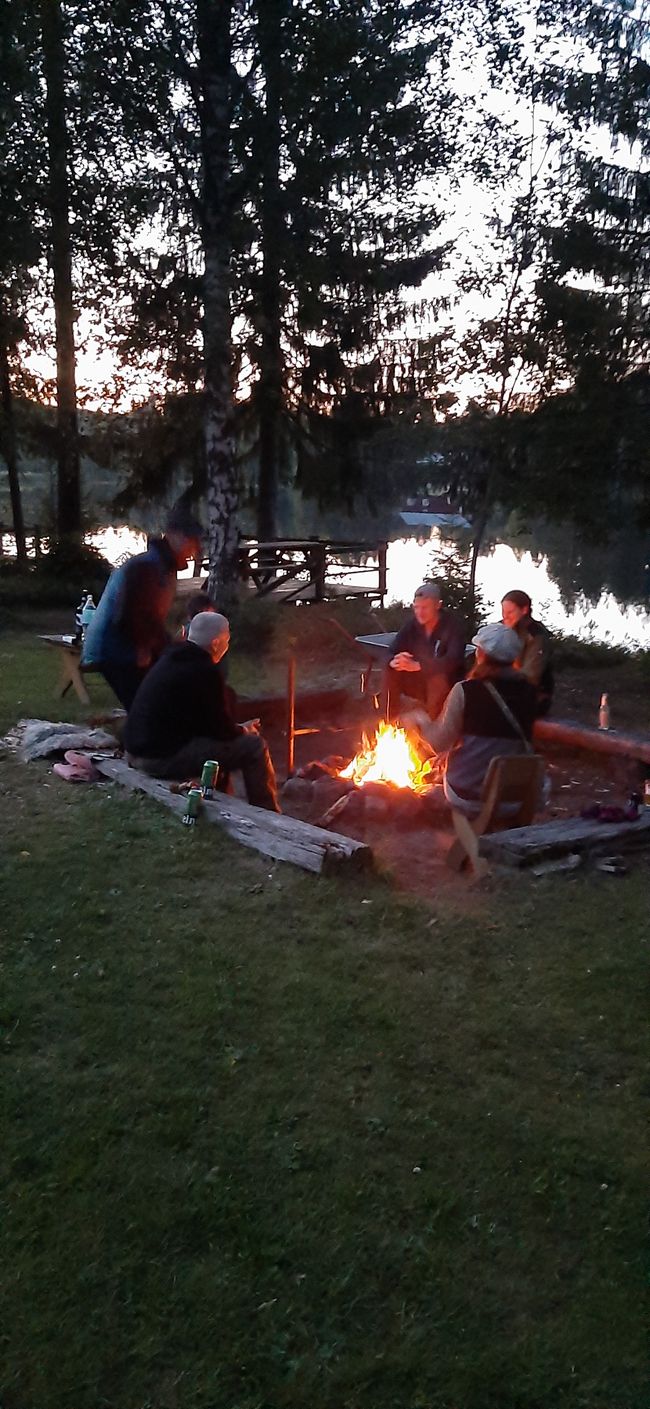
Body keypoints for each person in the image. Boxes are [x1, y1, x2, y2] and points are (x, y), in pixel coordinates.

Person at [124, 611, 280, 811]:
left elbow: (204, 723)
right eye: (227, 640)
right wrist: (244, 731)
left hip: (139, 749)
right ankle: (270, 814)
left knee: (228, 743)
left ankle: (223, 795)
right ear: (216, 643)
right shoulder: (204, 671)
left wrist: (236, 729)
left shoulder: (172, 657)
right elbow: (220, 731)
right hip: (156, 759)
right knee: (255, 746)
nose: (228, 646)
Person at [408, 622, 541, 816]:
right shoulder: (530, 692)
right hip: (517, 796)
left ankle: (473, 829)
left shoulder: (466, 690)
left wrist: (420, 721)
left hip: (470, 794)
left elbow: (438, 743)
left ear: (481, 654)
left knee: (444, 762)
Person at [82, 508, 203, 708]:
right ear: (173, 535)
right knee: (148, 707)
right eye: (191, 542)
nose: (194, 551)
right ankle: (138, 736)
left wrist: (167, 646)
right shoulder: (145, 567)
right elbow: (130, 618)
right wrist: (164, 648)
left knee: (160, 701)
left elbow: (150, 619)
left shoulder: (164, 569)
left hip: (132, 649)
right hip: (115, 651)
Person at [385, 582, 466, 719]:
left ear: (438, 605)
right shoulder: (412, 625)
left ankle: (435, 727)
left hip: (449, 682)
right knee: (391, 671)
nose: (420, 612)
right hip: (417, 680)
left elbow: (453, 660)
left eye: (425, 608)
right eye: (416, 607)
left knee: (437, 680)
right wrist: (394, 661)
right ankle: (390, 719)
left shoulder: (453, 626)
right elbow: (391, 650)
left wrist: (419, 666)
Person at [501, 589, 554, 716]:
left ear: (524, 610)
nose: (505, 616)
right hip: (504, 688)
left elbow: (530, 676)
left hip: (532, 695)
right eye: (503, 612)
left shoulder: (536, 635)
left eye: (510, 612)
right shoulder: (500, 629)